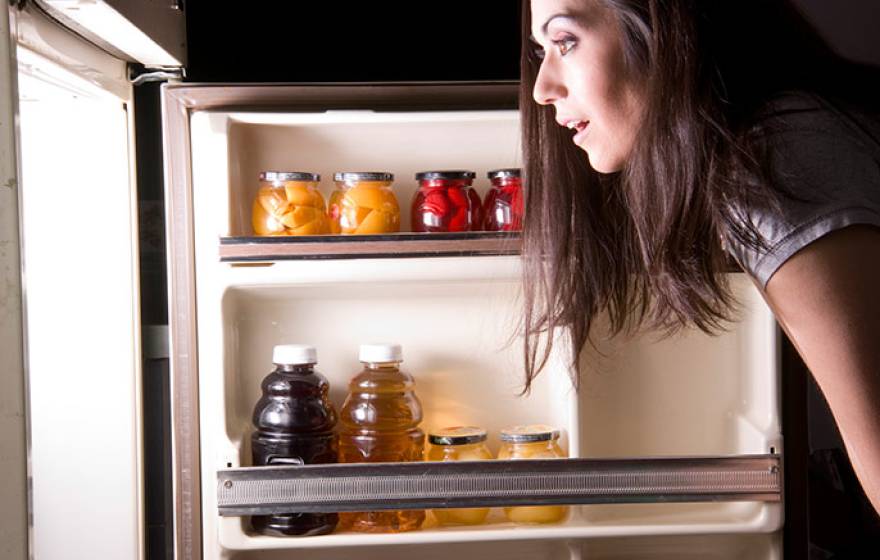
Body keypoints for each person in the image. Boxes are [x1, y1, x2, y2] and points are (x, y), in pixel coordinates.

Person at [520, 0, 880, 516]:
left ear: (661, 30)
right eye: (542, 51)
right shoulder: (784, 132)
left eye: (565, 42)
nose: (542, 87)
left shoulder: (775, 166)